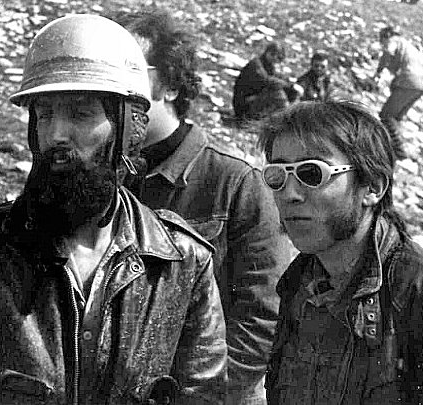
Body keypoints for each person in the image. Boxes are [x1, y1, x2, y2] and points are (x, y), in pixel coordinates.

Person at [0, 14, 227, 405]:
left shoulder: (182, 261)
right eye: (45, 114)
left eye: (80, 114)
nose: (56, 135)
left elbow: (203, 395)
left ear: (127, 128)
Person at [113, 9, 296, 405]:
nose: (110, 87)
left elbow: (263, 318)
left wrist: (201, 395)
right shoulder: (101, 179)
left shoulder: (235, 184)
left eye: (127, 71)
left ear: (170, 87)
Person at [258, 101, 423, 404]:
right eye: (277, 175)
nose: (289, 194)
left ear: (372, 187)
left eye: (311, 173)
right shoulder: (300, 282)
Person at [373, 25, 423, 160]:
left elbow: (388, 51)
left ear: (386, 36)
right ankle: (397, 149)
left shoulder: (393, 41)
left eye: (382, 39)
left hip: (408, 81)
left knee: (386, 115)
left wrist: (379, 70)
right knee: (396, 118)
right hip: (421, 84)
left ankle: (399, 151)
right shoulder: (410, 47)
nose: (382, 43)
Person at [232, 42, 302, 121]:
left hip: (254, 100)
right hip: (243, 106)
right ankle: (286, 119)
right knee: (276, 92)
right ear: (268, 52)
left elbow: (276, 78)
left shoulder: (269, 66)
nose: (275, 59)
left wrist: (290, 85)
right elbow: (267, 80)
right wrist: (288, 85)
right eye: (273, 55)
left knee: (290, 91)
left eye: (279, 58)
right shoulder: (256, 64)